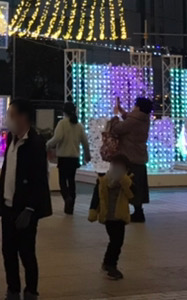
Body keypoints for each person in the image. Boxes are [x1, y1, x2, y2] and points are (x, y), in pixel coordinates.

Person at [0, 98, 52, 300]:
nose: (8, 119)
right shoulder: (11, 139)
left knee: (26, 252)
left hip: (25, 209)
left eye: (11, 115)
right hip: (8, 207)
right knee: (8, 252)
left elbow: (39, 178)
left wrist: (30, 208)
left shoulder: (35, 143)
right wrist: (0, 201)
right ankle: (12, 289)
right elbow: (7, 172)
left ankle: (31, 291)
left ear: (23, 117)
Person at [88, 153, 133, 281]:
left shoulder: (127, 181)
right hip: (108, 217)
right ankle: (110, 265)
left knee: (117, 242)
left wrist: (125, 181)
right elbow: (96, 196)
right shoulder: (103, 180)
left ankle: (108, 264)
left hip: (120, 216)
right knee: (115, 241)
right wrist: (93, 210)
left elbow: (132, 196)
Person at [108, 96, 152, 222]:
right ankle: (138, 211)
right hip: (140, 156)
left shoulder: (133, 122)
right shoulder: (145, 119)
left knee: (128, 185)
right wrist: (122, 112)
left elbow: (118, 129)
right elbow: (131, 120)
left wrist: (116, 116)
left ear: (138, 107)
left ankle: (126, 212)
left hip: (129, 157)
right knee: (138, 186)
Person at [47, 102, 90, 215]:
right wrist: (87, 155)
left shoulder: (62, 123)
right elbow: (85, 142)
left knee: (62, 181)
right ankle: (70, 208)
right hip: (74, 158)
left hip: (63, 157)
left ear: (64, 111)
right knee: (72, 181)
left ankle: (66, 198)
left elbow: (57, 138)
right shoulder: (79, 126)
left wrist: (47, 145)